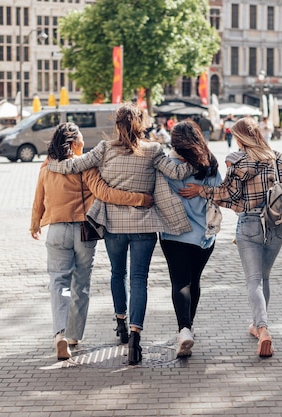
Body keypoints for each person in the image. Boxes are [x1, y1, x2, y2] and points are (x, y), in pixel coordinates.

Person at [45, 103, 193, 365]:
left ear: (117, 125)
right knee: (139, 279)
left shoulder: (104, 149)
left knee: (118, 274)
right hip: (144, 227)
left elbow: (75, 165)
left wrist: (52, 165)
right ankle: (136, 336)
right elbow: (178, 172)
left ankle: (121, 324)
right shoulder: (154, 150)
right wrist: (198, 157)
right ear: (141, 124)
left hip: (113, 226)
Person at [30, 122, 154, 361]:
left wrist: (35, 224)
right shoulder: (85, 167)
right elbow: (106, 193)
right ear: (74, 144)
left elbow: (39, 200)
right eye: (82, 140)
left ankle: (60, 333)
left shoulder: (47, 168)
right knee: (80, 284)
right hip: (84, 232)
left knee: (59, 282)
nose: (84, 144)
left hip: (56, 230)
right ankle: (74, 336)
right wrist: (139, 198)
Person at [179, 116, 282, 358]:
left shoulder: (241, 162)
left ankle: (263, 329)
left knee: (254, 280)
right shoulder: (279, 159)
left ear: (240, 138)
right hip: (276, 225)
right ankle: (257, 325)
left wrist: (201, 190)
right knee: (264, 277)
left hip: (250, 224)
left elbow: (226, 195)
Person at [159, 121, 222, 357]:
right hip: (204, 236)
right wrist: (201, 190)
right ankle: (189, 328)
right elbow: (222, 194)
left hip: (173, 233)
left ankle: (184, 329)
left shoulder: (166, 166)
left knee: (179, 281)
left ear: (174, 143)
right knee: (194, 280)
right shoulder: (210, 165)